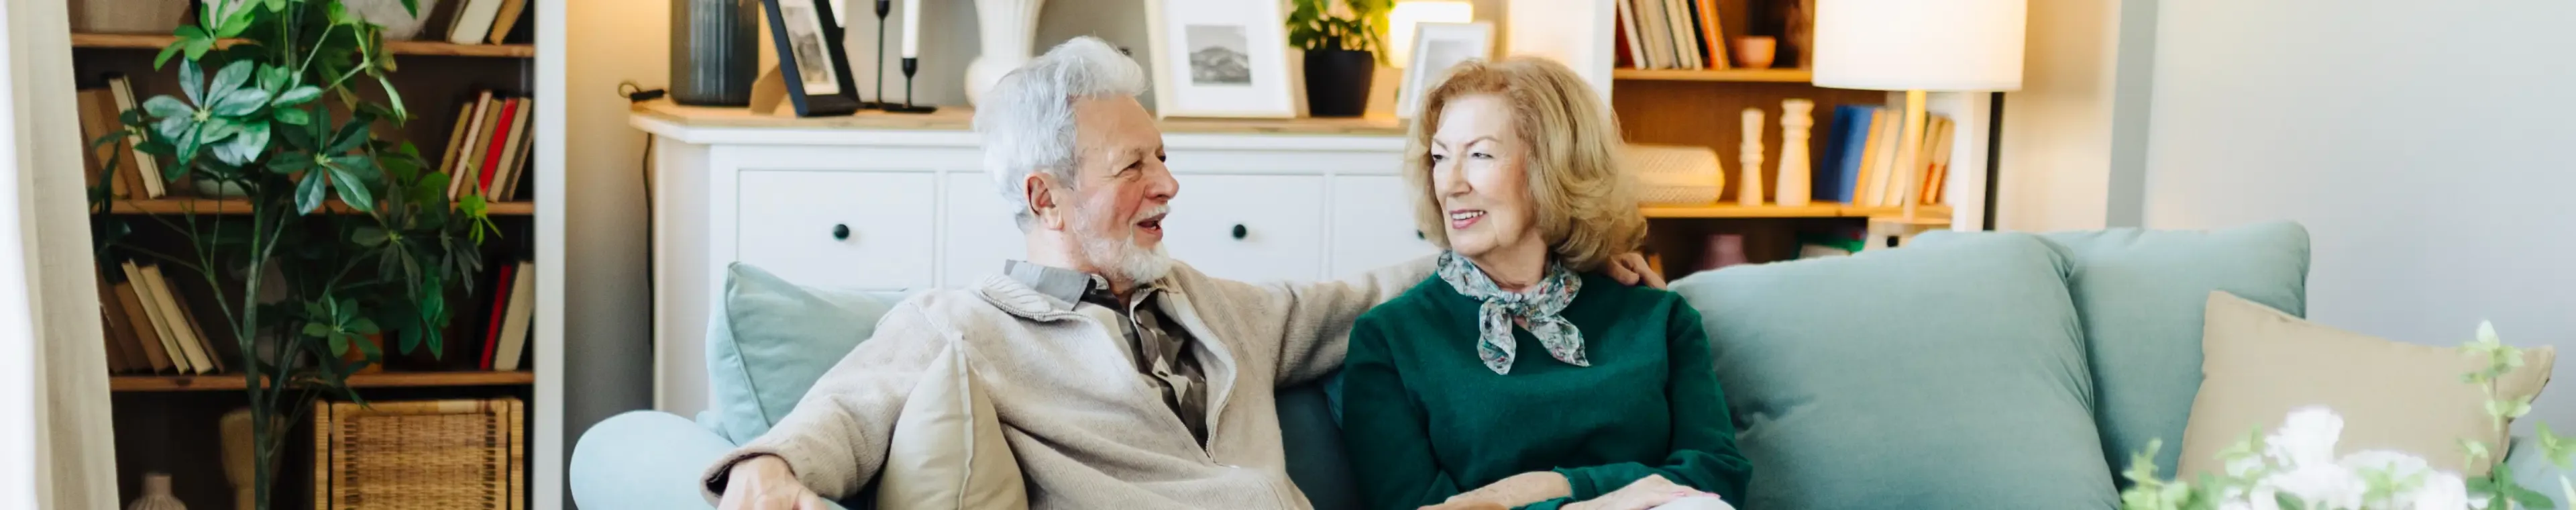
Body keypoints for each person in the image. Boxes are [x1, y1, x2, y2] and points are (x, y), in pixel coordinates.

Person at [705, 38, 1662, 510]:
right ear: (1045, 199)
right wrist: (768, 468)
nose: (1169, 184)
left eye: (1163, 156)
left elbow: (1366, 298)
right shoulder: (963, 324)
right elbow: (847, 408)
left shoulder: (1209, 302)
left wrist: (1555, 247)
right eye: (1135, 167)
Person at [1338, 57, 1753, 510]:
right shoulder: (1389, 339)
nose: (1451, 184)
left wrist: (1545, 488)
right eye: (1440, 157)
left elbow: (1716, 475)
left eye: (1479, 155)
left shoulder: (1658, 316)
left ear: (1553, 168)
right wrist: (1597, 504)